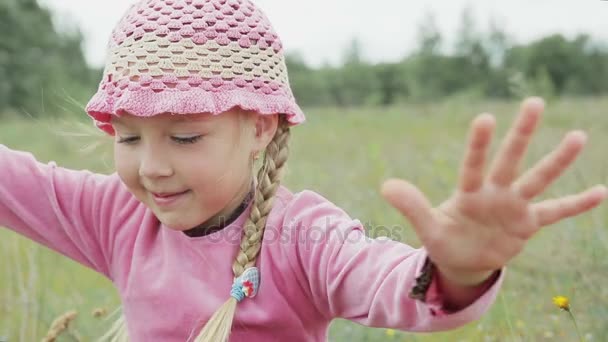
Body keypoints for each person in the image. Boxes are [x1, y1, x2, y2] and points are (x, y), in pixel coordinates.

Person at [1, 0, 606, 341]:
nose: (152, 167)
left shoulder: (302, 236)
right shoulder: (117, 217)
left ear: (261, 127)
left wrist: (457, 268)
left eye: (185, 136)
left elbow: (384, 279)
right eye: (128, 137)